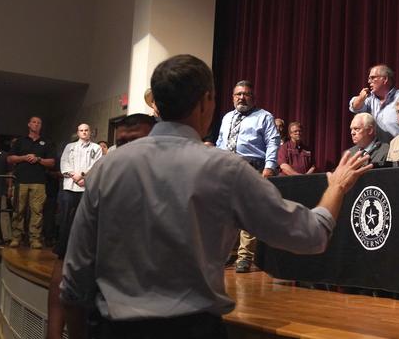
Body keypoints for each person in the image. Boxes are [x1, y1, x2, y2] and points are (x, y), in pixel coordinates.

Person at [60, 54, 372, 339]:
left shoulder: (106, 168)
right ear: (205, 102)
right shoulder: (225, 170)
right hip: (191, 331)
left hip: (111, 330)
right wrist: (338, 187)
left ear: (158, 104)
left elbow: (75, 274)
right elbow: (311, 236)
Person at [216, 80, 281, 273]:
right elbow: (221, 140)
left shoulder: (264, 116)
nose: (241, 98)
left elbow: (273, 142)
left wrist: (269, 167)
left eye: (246, 94)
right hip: (226, 166)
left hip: (252, 166)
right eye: (238, 94)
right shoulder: (227, 117)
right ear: (232, 97)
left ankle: (245, 257)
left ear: (253, 97)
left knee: (247, 213)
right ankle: (231, 253)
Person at [47, 124, 102, 339]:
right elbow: (64, 164)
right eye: (81, 130)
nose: (84, 133)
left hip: (86, 186)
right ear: (77, 132)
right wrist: (75, 176)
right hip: (71, 185)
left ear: (91, 133)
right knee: (68, 221)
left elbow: (98, 165)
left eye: (87, 130)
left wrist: (85, 176)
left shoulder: (96, 148)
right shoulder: (70, 146)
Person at [6, 116, 55, 248]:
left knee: (37, 211)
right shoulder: (20, 141)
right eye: (34, 122)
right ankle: (16, 237)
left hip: (39, 182)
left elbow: (51, 162)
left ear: (41, 126)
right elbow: (10, 159)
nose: (36, 124)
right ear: (29, 124)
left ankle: (35, 239)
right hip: (21, 181)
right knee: (18, 210)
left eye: (39, 123)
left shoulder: (47, 142)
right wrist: (24, 157)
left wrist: (38, 159)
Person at [349, 64, 399, 143]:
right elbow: (355, 107)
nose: (369, 81)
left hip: (397, 149)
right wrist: (361, 98)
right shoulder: (369, 98)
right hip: (374, 151)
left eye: (372, 78)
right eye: (369, 78)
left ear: (385, 79)